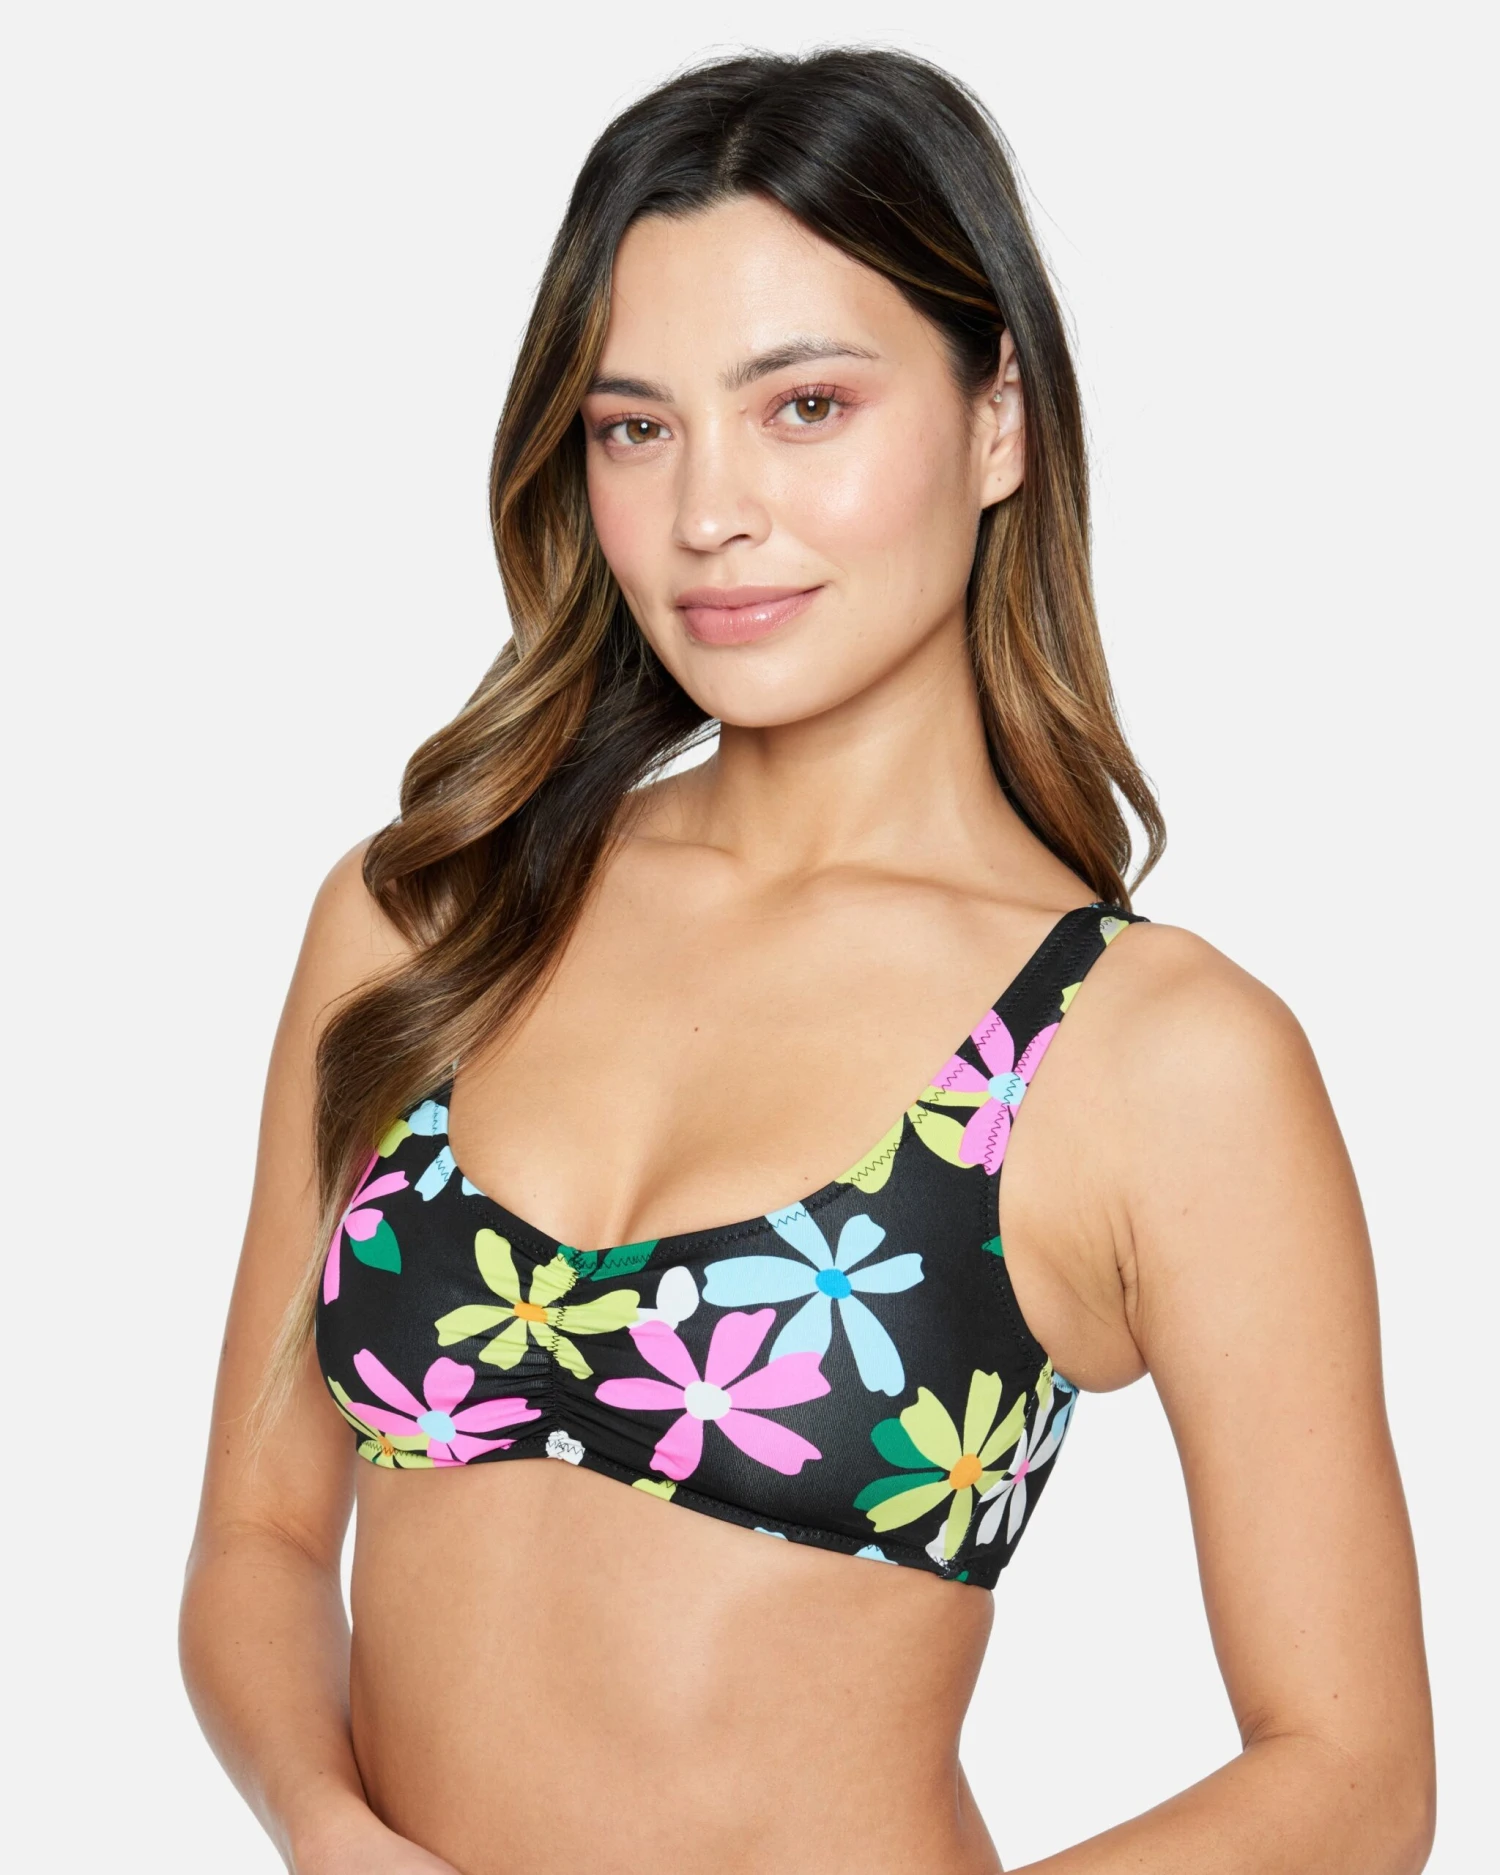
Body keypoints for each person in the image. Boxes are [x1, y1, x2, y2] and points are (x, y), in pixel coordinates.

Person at [180, 47, 1435, 1875]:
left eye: (807, 406)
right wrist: (325, 1828)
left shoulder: (1146, 1053)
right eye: (635, 427)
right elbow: (261, 1540)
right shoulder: (429, 918)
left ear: (998, 420)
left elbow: (1354, 1775)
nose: (710, 511)